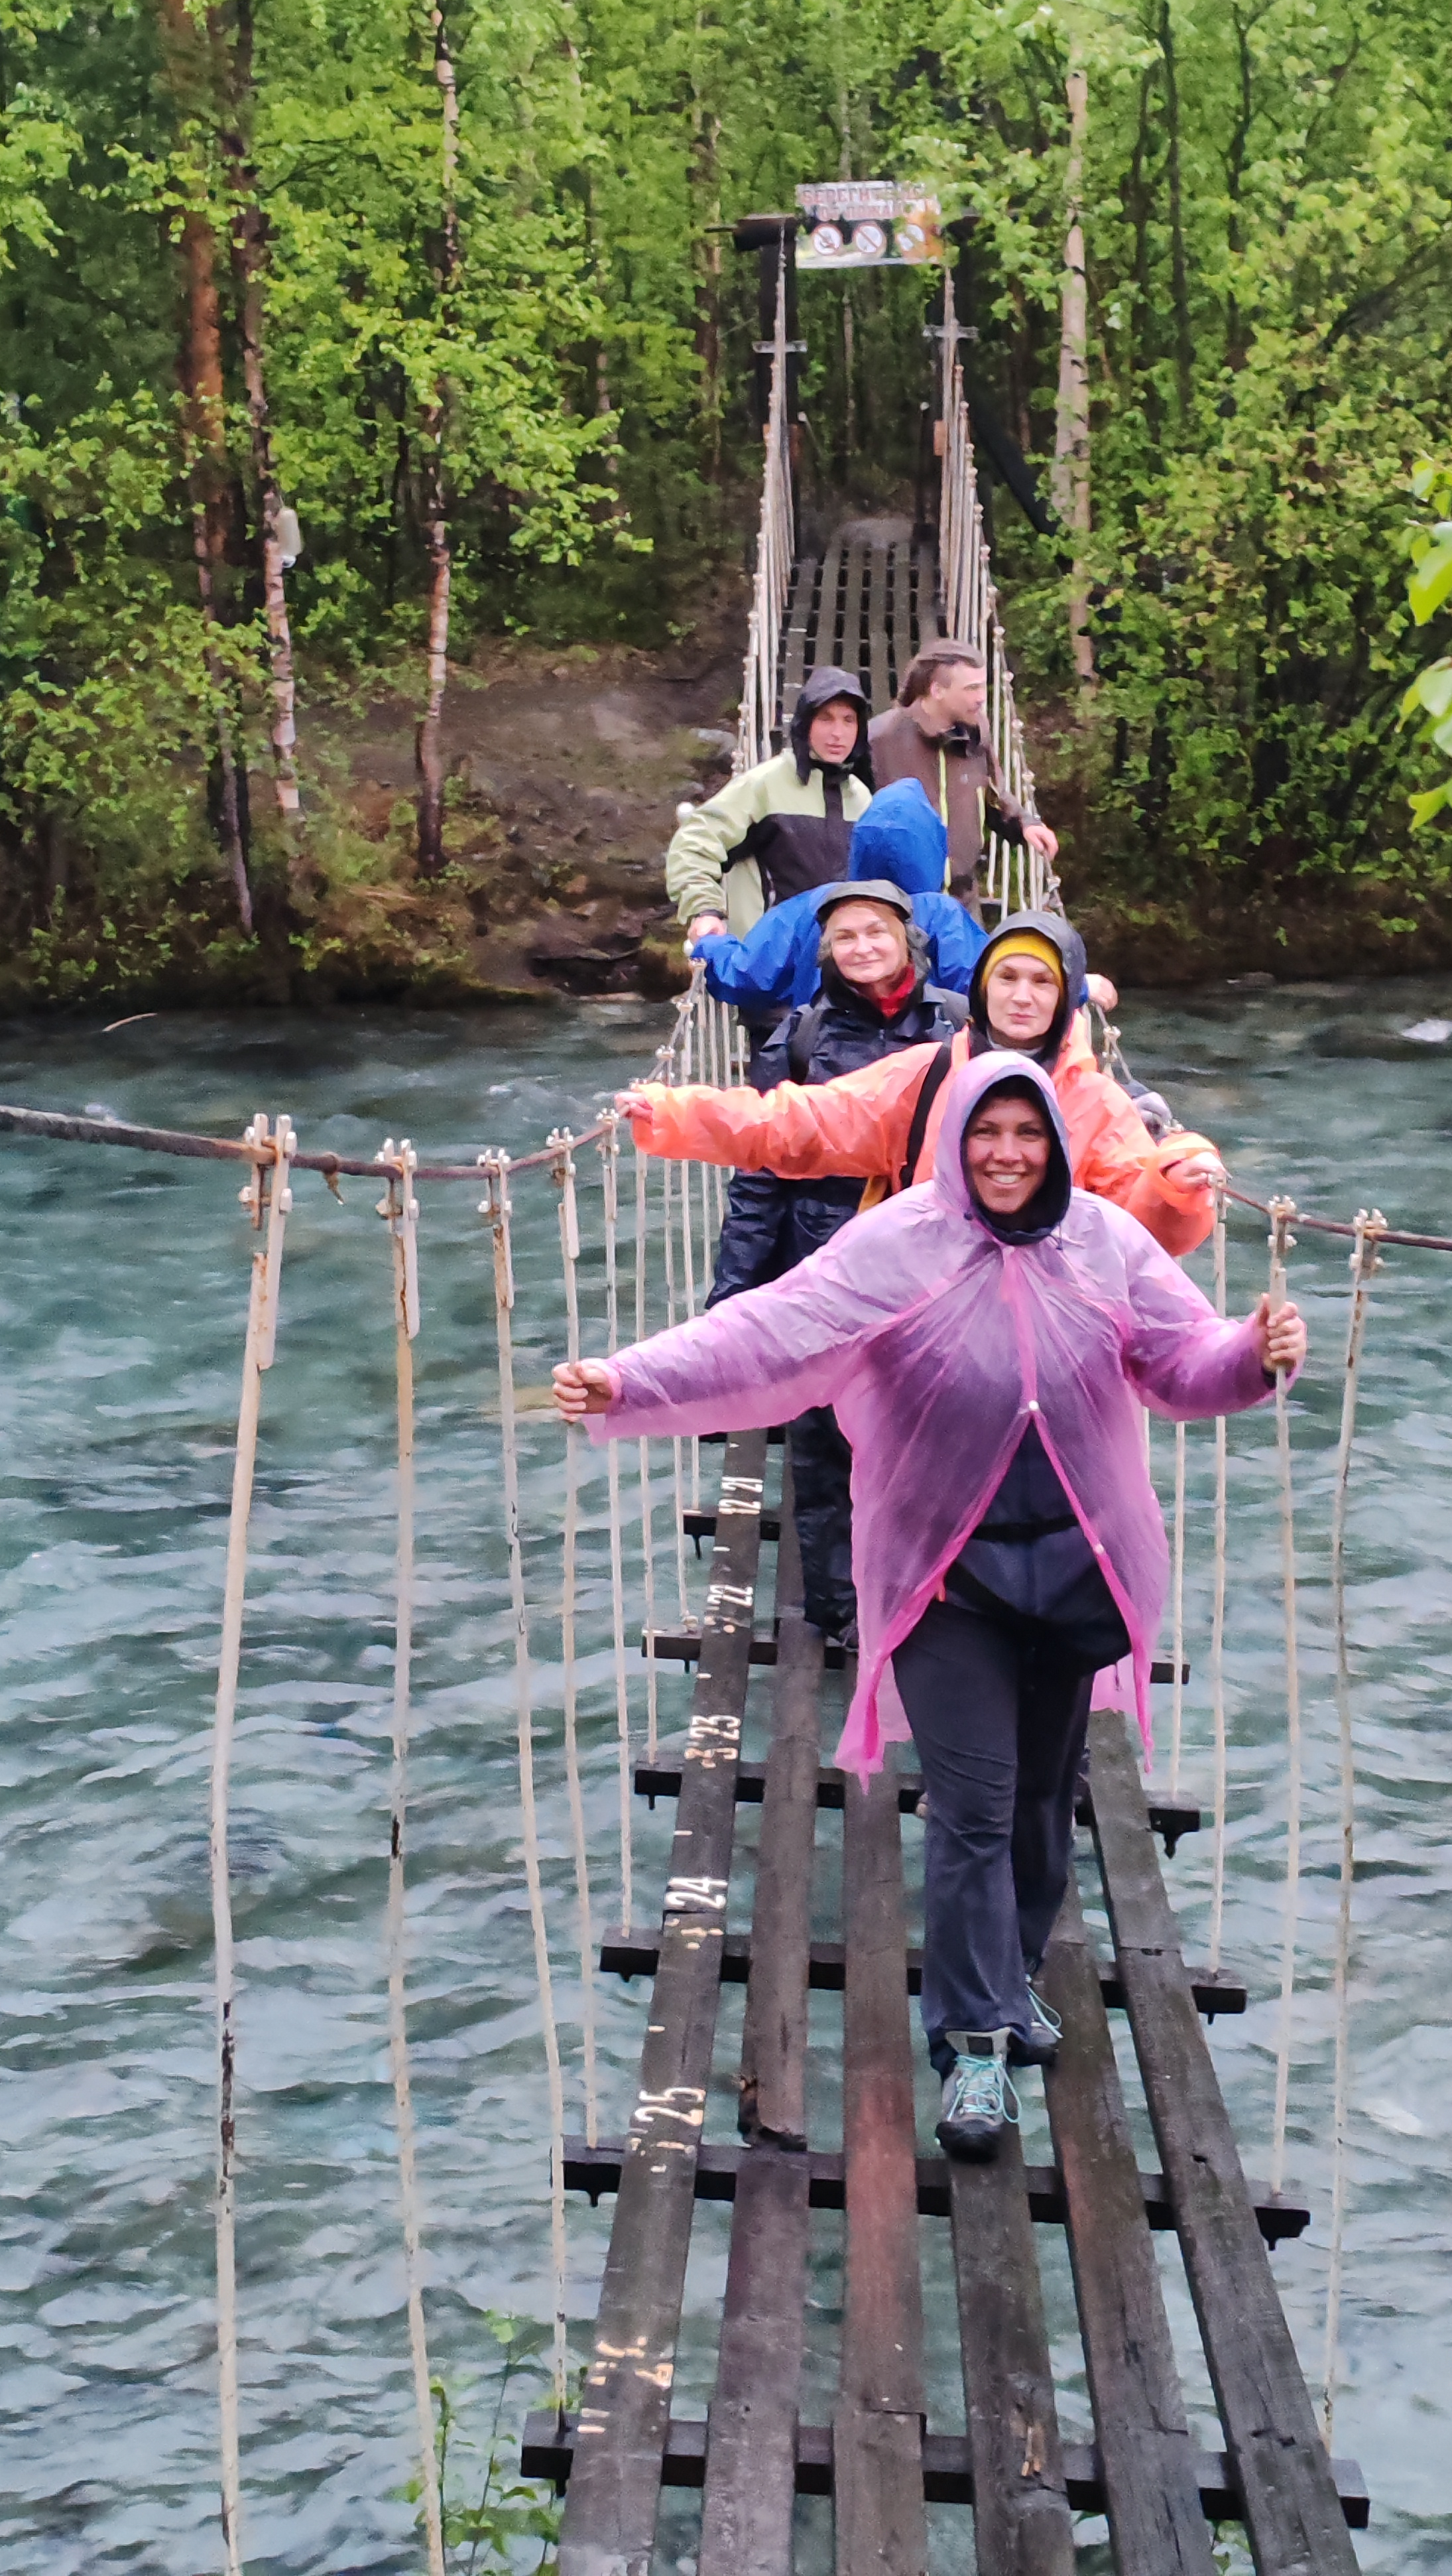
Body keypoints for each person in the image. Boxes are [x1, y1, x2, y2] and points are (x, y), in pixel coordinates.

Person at [554, 1053, 1305, 2159]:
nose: (1006, 1151)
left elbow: (1182, 1359)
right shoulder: (896, 1242)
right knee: (974, 1806)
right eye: (985, 1131)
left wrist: (1252, 1355)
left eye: (1028, 1132)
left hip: (1076, 1567)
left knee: (1047, 1802)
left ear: (1055, 1139)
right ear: (954, 1137)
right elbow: (766, 1330)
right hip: (945, 1578)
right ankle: (971, 2044)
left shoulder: (1104, 1240)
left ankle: (1006, 1975)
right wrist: (629, 1379)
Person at [617, 909, 1223, 1260]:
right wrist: (675, 1114)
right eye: (1006, 976)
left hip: (1054, 1339)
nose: (1020, 996)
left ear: (1067, 996)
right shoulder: (930, 1074)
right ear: (981, 986)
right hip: (930, 1322)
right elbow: (803, 1123)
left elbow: (1144, 1229)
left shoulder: (1096, 1102)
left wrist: (1175, 1186)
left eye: (1042, 983)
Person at [705, 877, 967, 1641]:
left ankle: (925, 1584)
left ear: (907, 939)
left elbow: (1037, 1101)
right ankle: (842, 1608)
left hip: (930, 1268)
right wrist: (733, 1298)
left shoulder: (959, 1027)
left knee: (928, 1428)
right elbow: (757, 1168)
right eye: (845, 937)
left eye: (875, 933)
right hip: (824, 1265)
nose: (862, 948)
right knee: (824, 1443)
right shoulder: (799, 1035)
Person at [688, 774, 1123, 1025]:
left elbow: (749, 976)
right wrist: (1080, 988)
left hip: (825, 1073)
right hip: (918, 1083)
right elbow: (988, 987)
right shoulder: (941, 916)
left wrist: (709, 945)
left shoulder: (818, 906)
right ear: (933, 848)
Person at [666, 664, 874, 949]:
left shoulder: (863, 799)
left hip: (840, 969)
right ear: (805, 723)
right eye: (826, 719)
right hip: (767, 968)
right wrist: (705, 910)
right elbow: (694, 842)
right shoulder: (765, 785)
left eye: (849, 720)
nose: (838, 733)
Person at [868, 640, 1058, 911]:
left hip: (962, 905)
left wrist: (1025, 823)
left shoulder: (976, 731)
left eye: (983, 686)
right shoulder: (881, 739)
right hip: (899, 906)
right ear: (937, 691)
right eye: (972, 688)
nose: (982, 697)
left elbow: (991, 792)